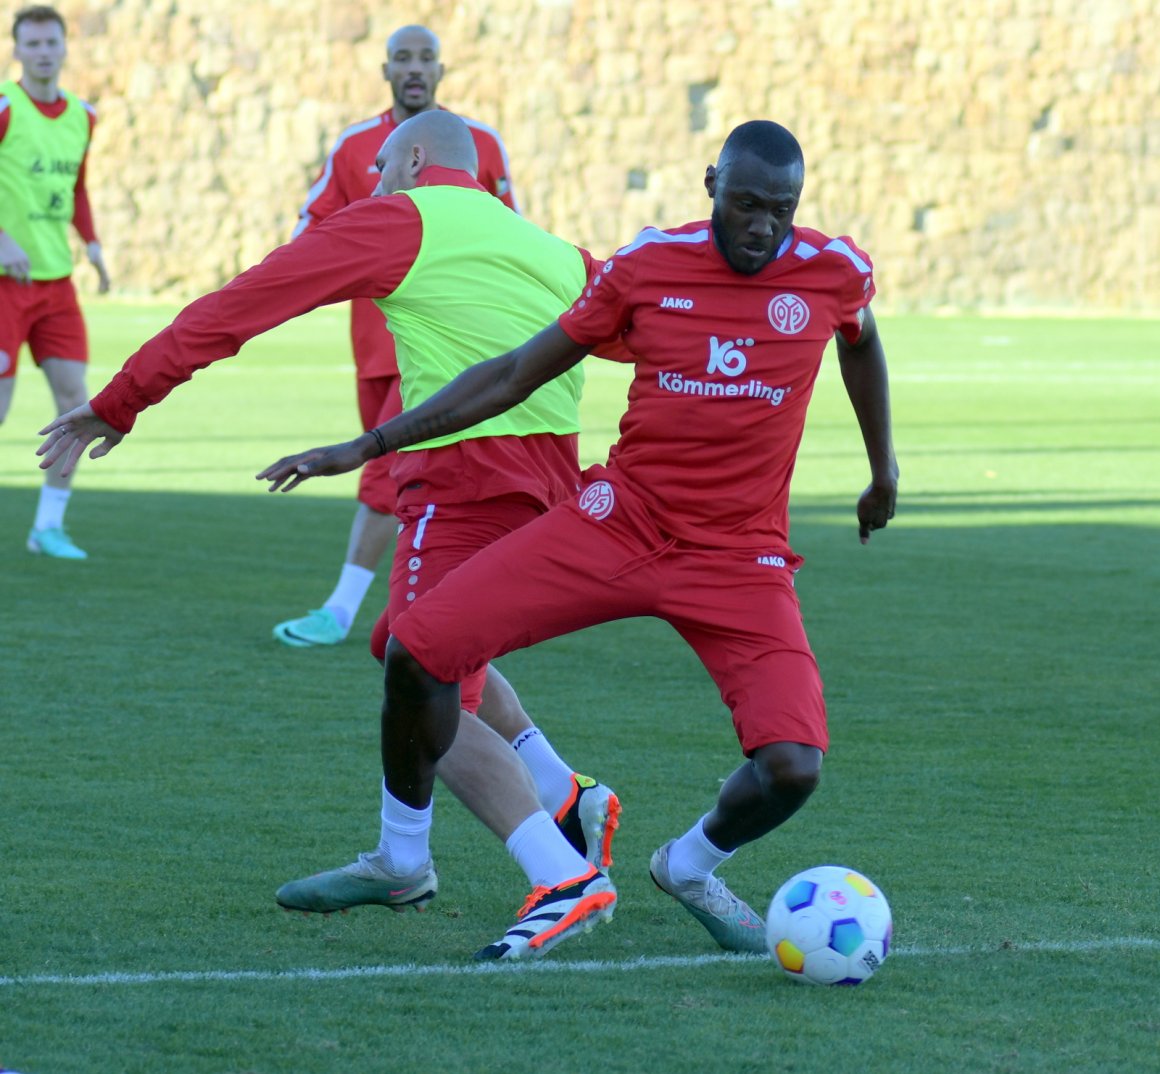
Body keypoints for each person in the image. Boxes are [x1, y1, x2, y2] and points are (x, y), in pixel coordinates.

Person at [250, 119, 899, 957]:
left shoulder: (832, 271)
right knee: (415, 649)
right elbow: (517, 371)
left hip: (741, 558)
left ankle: (688, 864)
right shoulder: (646, 268)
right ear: (712, 184)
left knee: (794, 768)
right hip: (619, 522)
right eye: (746, 205)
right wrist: (371, 445)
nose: (762, 227)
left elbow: (864, 341)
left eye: (781, 209)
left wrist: (883, 472)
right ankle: (405, 857)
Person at [39, 110, 622, 961]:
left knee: (426, 687)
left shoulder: (399, 217)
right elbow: (653, 335)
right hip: (549, 490)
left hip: (462, 485)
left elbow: (238, 306)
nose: (371, 182)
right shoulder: (552, 249)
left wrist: (122, 397)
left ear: (414, 159)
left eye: (381, 166)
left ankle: (559, 873)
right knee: (403, 646)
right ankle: (519, 809)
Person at [273, 23, 518, 649]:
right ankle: (444, 608)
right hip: (375, 346)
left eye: (426, 58)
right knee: (414, 478)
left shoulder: (479, 145)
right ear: (386, 71)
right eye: (402, 59)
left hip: (443, 345)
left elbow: (511, 234)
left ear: (442, 70)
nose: (415, 68)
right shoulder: (357, 146)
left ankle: (343, 611)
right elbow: (312, 227)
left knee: (382, 473)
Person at [1, 4, 110, 560]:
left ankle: (47, 527)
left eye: (52, 43)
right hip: (2, 288)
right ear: (17, 50)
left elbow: (80, 189)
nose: (44, 52)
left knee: (76, 404)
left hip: (56, 287)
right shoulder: (4, 108)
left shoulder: (83, 117)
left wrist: (90, 243)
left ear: (65, 48)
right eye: (33, 43)